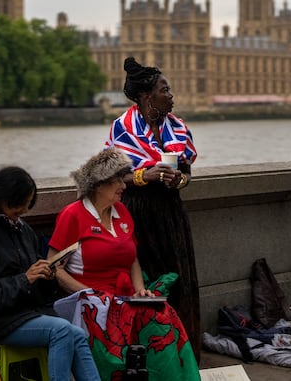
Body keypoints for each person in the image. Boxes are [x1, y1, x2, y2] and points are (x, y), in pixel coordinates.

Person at [49, 147, 200, 380]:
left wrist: (141, 290)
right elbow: (54, 267)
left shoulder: (122, 212)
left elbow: (133, 260)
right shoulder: (73, 215)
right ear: (99, 185)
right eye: (118, 181)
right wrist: (89, 294)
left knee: (163, 316)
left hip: (124, 295)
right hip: (91, 301)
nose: (124, 185)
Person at [0, 167, 100, 381]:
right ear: (1, 198)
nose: (25, 210)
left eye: (27, 204)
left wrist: (47, 276)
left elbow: (34, 283)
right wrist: (24, 279)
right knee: (62, 331)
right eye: (19, 205)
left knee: (77, 334)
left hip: (22, 312)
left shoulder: (20, 228)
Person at [104, 56, 201, 359]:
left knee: (180, 280)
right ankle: (148, 353)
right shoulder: (122, 129)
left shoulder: (178, 128)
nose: (172, 96)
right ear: (147, 96)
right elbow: (111, 176)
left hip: (171, 215)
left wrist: (177, 180)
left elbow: (186, 173)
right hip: (137, 214)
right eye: (166, 90)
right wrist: (144, 175)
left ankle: (183, 351)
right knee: (145, 283)